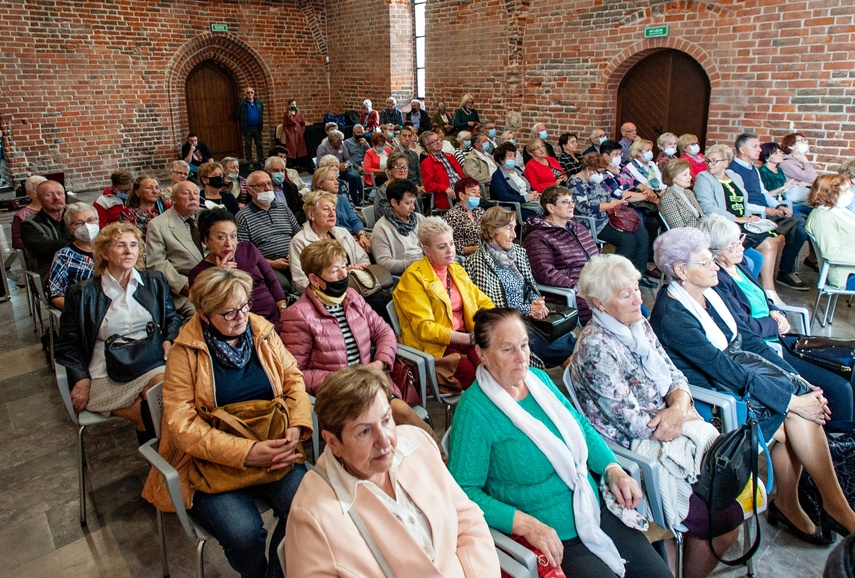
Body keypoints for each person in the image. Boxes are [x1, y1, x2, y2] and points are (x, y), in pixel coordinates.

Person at [651, 227, 855, 544]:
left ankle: (802, 505)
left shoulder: (710, 292)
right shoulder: (672, 314)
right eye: (705, 262)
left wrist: (799, 384)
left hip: (742, 372)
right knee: (798, 420)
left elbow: (749, 341)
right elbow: (724, 369)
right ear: (680, 271)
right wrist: (791, 401)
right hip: (715, 395)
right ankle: (832, 509)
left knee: (802, 408)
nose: (715, 266)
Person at [449, 307, 671, 577]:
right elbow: (463, 493)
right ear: (482, 355)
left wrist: (613, 469)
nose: (521, 358)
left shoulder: (539, 380)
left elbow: (581, 427)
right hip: (550, 534)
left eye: (524, 345)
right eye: (508, 350)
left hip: (591, 506)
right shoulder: (475, 412)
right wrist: (524, 524)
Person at [568, 253, 741, 578]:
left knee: (726, 499)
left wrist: (678, 406)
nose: (639, 299)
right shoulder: (595, 348)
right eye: (626, 294)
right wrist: (683, 415)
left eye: (636, 288)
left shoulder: (637, 324)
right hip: (634, 450)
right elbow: (634, 423)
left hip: (668, 427)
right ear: (600, 304)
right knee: (725, 517)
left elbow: (674, 376)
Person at [141, 266, 312, 578]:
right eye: (229, 312)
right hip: (212, 462)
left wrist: (296, 425)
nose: (241, 317)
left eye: (245, 305)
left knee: (308, 511)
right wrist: (246, 453)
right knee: (245, 535)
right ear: (204, 315)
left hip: (273, 445)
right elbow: (183, 426)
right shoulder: (185, 351)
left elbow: (293, 383)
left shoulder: (261, 330)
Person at [285, 365, 500, 577]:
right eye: (365, 431)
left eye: (387, 420)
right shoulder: (311, 515)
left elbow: (469, 524)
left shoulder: (418, 444)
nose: (385, 440)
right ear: (333, 442)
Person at [700, 213, 854, 432]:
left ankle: (847, 441)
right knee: (840, 389)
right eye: (732, 246)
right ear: (714, 253)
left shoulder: (740, 264)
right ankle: (835, 445)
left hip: (779, 337)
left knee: (849, 365)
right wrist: (775, 323)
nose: (741, 247)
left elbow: (762, 296)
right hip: (764, 346)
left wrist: (776, 312)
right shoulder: (717, 281)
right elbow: (744, 328)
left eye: (740, 240)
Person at [56, 222, 181, 444]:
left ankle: (164, 469)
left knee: (159, 394)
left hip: (151, 360)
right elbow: (67, 344)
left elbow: (172, 318)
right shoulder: (82, 293)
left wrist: (170, 339)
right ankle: (170, 467)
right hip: (105, 371)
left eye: (133, 245)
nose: (128, 251)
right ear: (104, 253)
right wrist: (81, 377)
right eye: (120, 245)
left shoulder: (154, 281)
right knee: (152, 409)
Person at [279, 240, 425, 427]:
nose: (343, 275)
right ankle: (441, 452)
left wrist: (380, 362)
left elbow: (384, 331)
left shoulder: (351, 297)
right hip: (339, 395)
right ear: (314, 279)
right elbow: (296, 372)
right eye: (334, 271)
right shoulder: (298, 315)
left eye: (343, 266)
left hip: (371, 381)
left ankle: (439, 452)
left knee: (400, 414)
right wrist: (345, 380)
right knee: (397, 416)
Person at [466, 207, 576, 366]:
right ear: (491, 231)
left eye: (514, 228)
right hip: (507, 324)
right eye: (508, 228)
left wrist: (537, 304)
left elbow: (529, 286)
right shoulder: (478, 263)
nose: (514, 235)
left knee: (567, 340)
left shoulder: (517, 252)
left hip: (530, 317)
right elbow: (492, 311)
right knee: (563, 347)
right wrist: (528, 309)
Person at [393, 217, 493, 390]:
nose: (450, 251)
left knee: (494, 367)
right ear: (426, 250)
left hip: (464, 337)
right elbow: (425, 328)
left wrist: (494, 321)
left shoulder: (456, 269)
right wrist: (468, 338)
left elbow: (482, 300)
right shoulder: (413, 277)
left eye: (452, 243)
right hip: (434, 347)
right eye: (441, 247)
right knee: (476, 378)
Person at [693, 144, 786, 303]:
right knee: (769, 243)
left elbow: (744, 202)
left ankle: (757, 286)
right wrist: (738, 219)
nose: (710, 164)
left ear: (726, 162)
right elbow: (709, 208)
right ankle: (768, 291)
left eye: (715, 161)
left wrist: (750, 217)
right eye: (708, 160)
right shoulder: (704, 177)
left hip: (743, 222)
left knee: (780, 239)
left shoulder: (734, 176)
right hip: (723, 225)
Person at [729, 133, 809, 291]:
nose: (759, 149)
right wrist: (768, 210)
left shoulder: (753, 168)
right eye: (755, 146)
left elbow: (763, 193)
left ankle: (784, 272)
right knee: (795, 226)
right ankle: (778, 275)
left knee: (799, 228)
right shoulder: (733, 171)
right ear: (743, 149)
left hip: (766, 211)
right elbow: (741, 203)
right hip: (753, 214)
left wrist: (778, 206)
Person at [189, 208, 287, 326]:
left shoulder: (248, 249)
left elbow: (272, 281)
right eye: (221, 237)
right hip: (240, 327)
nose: (229, 243)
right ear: (206, 240)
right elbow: (210, 314)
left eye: (233, 236)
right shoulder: (198, 273)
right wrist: (220, 277)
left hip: (274, 318)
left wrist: (283, 310)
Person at [567, 154, 652, 283]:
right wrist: (608, 205)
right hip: (592, 222)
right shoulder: (575, 182)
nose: (601, 175)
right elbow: (582, 207)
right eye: (599, 171)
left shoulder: (597, 181)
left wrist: (618, 202)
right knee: (627, 241)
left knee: (641, 233)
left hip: (610, 216)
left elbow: (608, 196)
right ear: (588, 169)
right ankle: (613, 278)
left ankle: (639, 274)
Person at [524, 185, 601, 323]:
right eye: (565, 202)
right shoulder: (538, 237)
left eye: (572, 201)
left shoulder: (577, 227)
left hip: (597, 282)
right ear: (551, 208)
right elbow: (544, 272)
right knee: (619, 309)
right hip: (572, 292)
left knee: (632, 300)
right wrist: (578, 287)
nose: (571, 205)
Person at [289, 190, 370, 293]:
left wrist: (357, 270)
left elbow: (364, 259)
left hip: (357, 287)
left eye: (334, 209)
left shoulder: (342, 232)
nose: (332, 214)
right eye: (326, 209)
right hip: (323, 297)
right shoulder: (299, 241)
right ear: (311, 214)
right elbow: (300, 282)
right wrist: (343, 276)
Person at [146, 180, 205, 317]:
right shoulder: (158, 225)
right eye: (186, 193)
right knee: (208, 315)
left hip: (217, 281)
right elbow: (157, 263)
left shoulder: (207, 216)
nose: (192, 197)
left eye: (196, 193)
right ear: (173, 199)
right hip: (186, 290)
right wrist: (185, 286)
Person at [235, 170, 301, 292]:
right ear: (250, 190)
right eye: (261, 185)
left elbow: (298, 235)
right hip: (268, 265)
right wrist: (272, 263)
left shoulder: (283, 208)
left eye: (269, 183)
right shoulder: (243, 217)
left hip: (295, 258)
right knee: (283, 286)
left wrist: (295, 255)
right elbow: (245, 254)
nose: (267, 188)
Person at [806, 174, 855, 290]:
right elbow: (831, 253)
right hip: (846, 274)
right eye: (846, 191)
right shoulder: (822, 217)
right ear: (829, 193)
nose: (850, 194)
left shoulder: (838, 211)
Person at [21, 179, 73, 286]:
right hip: (51, 274)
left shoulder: (77, 215)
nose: (56, 198)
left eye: (60, 193)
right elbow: (42, 248)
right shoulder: (30, 224)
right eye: (49, 195)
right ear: (38, 200)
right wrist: (75, 239)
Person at [47, 202, 98, 309]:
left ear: (98, 221)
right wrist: (81, 311)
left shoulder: (112, 248)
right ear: (70, 229)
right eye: (79, 223)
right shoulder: (64, 256)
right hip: (85, 309)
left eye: (90, 220)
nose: (86, 226)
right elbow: (56, 295)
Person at [371, 179, 425, 275]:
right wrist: (410, 263)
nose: (413, 207)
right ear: (394, 203)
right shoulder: (381, 228)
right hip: (406, 274)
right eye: (408, 203)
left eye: (413, 202)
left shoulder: (419, 218)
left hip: (426, 267)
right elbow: (384, 263)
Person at [312, 164, 371, 251]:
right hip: (334, 242)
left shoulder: (342, 199)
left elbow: (354, 220)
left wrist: (362, 235)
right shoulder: (314, 204)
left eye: (336, 179)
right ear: (320, 184)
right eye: (331, 179)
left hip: (353, 235)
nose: (337, 182)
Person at [490, 142, 542, 220]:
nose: (513, 158)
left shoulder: (517, 169)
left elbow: (526, 185)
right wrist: (525, 198)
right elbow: (504, 196)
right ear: (501, 160)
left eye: (514, 156)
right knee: (539, 217)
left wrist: (532, 193)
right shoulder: (497, 176)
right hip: (514, 207)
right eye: (510, 156)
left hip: (529, 202)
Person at [317, 129, 363, 206]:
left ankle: (356, 200)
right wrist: (337, 166)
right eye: (339, 141)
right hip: (328, 173)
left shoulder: (341, 145)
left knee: (355, 177)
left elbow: (348, 159)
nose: (341, 143)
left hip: (342, 171)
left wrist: (345, 165)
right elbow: (320, 164)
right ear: (332, 141)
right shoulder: (322, 147)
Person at [421, 130, 465, 210]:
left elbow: (461, 175)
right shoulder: (426, 163)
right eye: (433, 142)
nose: (438, 142)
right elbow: (428, 185)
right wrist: (444, 188)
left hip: (464, 192)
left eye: (438, 139)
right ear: (427, 146)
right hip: (448, 196)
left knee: (484, 205)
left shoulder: (450, 156)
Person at [443, 177, 484, 257]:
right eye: (473, 192)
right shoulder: (452, 215)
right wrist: (465, 250)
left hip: (481, 253)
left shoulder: (480, 211)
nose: (478, 195)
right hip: (462, 257)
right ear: (461, 195)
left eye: (479, 192)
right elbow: (443, 242)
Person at [659, 158, 704, 229]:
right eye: (685, 175)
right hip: (686, 236)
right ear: (672, 177)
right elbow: (678, 228)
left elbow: (702, 216)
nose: (690, 177)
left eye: (689, 173)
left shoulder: (688, 192)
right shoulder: (668, 198)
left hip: (701, 231)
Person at [11, 175, 47, 251]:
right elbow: (17, 242)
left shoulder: (63, 208)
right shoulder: (21, 215)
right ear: (29, 193)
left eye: (45, 189)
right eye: (37, 189)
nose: (42, 192)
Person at [238, 86, 264, 167]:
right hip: (247, 128)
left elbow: (261, 112)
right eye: (248, 92)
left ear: (254, 93)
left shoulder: (259, 103)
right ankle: (249, 162)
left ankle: (261, 161)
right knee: (248, 145)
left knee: (259, 144)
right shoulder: (242, 104)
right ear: (245, 94)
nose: (250, 94)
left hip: (257, 127)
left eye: (251, 92)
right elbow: (238, 115)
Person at [394, 125, 424, 191]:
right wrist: (415, 187)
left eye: (409, 136)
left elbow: (419, 173)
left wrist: (422, 185)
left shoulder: (414, 154)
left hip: (417, 185)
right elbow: (398, 177)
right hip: (403, 186)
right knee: (417, 197)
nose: (407, 139)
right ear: (399, 137)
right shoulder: (394, 154)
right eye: (404, 136)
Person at [282, 99, 309, 171]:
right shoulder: (286, 114)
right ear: (289, 105)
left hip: (299, 132)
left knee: (300, 148)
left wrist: (302, 131)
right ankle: (293, 164)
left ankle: (301, 164)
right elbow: (284, 125)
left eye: (295, 104)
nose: (294, 106)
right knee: (292, 148)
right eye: (292, 104)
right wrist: (288, 133)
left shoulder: (299, 113)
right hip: (291, 132)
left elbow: (303, 123)